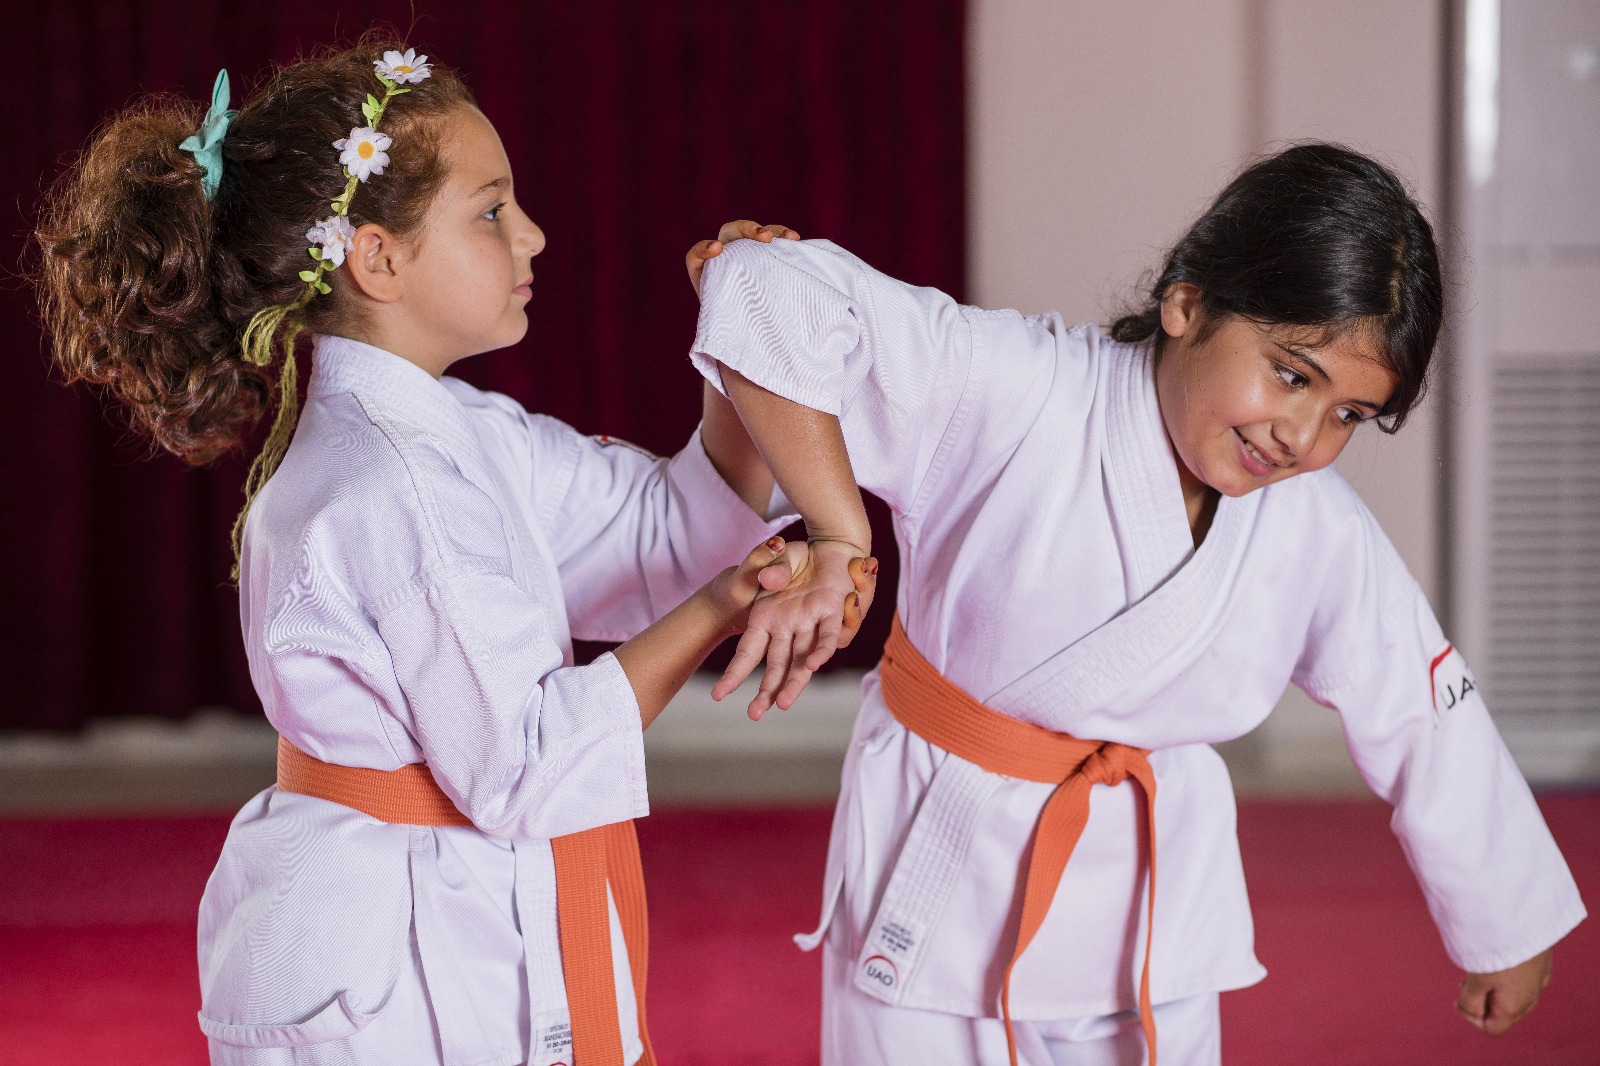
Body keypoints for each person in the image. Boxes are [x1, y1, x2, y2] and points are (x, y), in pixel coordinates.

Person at [34, 39, 868, 1066]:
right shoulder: (394, 483)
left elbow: (665, 534)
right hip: (387, 946)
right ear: (376, 257)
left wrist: (740, 347)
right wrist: (716, 608)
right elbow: (525, 766)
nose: (533, 234)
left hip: (434, 898)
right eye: (489, 211)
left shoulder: (454, 434)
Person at [685, 144, 1586, 1065]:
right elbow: (761, 290)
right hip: (943, 860)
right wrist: (841, 534)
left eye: (1350, 415)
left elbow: (1419, 703)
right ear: (1187, 303)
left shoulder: (1317, 527)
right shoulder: (1014, 387)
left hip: (1152, 913)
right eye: (1291, 373)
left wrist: (1503, 919)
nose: (1303, 436)